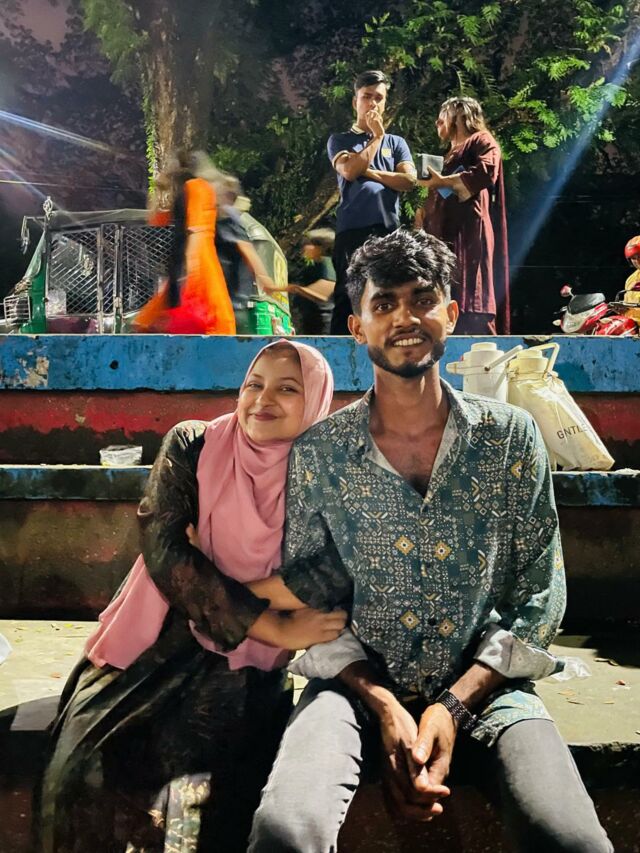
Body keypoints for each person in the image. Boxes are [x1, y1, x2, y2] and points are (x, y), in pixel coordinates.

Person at [247, 230, 612, 852]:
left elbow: (540, 595)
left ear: (451, 312)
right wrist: (384, 704)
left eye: (422, 299)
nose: (405, 319)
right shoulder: (321, 453)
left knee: (572, 838)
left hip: (491, 689)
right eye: (383, 304)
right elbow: (316, 597)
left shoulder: (510, 437)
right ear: (357, 327)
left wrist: (453, 706)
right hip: (352, 691)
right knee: (285, 828)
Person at [35, 340, 348, 853]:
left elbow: (329, 573)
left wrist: (207, 577)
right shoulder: (193, 444)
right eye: (254, 384)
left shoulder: (325, 476)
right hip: (154, 644)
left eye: (288, 389)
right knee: (78, 773)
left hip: (240, 668)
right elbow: (165, 552)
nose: (263, 399)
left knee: (218, 797)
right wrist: (275, 624)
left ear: (315, 400)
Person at [328, 69, 416, 334]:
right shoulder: (340, 140)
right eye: (367, 96)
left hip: (388, 232)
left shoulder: (397, 143)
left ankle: (386, 348)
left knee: (388, 294)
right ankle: (339, 348)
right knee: (348, 294)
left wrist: (370, 172)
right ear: (355, 101)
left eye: (379, 98)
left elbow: (409, 180)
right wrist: (376, 137)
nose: (373, 103)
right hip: (352, 230)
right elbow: (349, 170)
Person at [417, 96, 510, 334]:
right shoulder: (449, 154)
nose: (437, 121)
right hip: (444, 239)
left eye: (443, 114)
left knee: (472, 301)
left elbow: (487, 170)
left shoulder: (481, 140)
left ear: (459, 114)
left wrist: (443, 181)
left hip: (468, 236)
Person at [134, 150, 237, 335]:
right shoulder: (187, 191)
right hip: (184, 260)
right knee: (176, 319)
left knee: (193, 318)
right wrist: (160, 190)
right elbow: (155, 219)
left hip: (193, 261)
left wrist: (191, 268)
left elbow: (196, 230)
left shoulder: (198, 187)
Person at [215, 174, 277, 333]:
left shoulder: (227, 222)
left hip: (231, 304)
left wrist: (264, 278)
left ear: (227, 195)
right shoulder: (227, 221)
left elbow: (247, 249)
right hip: (230, 303)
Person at [285, 229, 337, 335]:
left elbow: (324, 293)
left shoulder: (326, 265)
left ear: (319, 247)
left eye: (308, 244)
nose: (304, 247)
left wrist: (295, 289)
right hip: (309, 320)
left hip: (322, 322)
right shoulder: (313, 267)